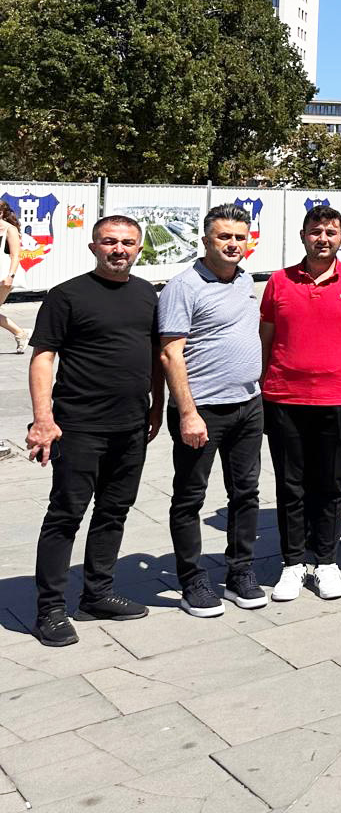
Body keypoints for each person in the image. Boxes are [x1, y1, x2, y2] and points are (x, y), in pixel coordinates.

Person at [27, 216, 162, 647]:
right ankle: (49, 608)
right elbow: (43, 358)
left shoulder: (147, 294)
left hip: (131, 424)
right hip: (79, 426)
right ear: (93, 247)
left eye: (127, 243)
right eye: (109, 242)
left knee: (113, 511)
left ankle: (97, 594)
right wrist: (42, 419)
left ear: (139, 248)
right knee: (65, 515)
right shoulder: (66, 296)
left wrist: (157, 405)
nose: (118, 249)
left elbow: (156, 355)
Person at [260, 206, 341, 602]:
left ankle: (326, 562)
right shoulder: (279, 282)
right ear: (303, 236)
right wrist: (260, 390)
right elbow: (264, 341)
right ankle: (293, 563)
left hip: (340, 399)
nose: (324, 238)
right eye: (316, 232)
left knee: (330, 486)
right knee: (290, 486)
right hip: (284, 398)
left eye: (332, 232)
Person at [160, 205, 266, 617]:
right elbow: (170, 353)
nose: (233, 244)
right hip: (201, 410)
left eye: (240, 237)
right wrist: (187, 412)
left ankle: (240, 571)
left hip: (247, 405)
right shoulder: (183, 286)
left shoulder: (245, 280)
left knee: (246, 493)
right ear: (206, 241)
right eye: (224, 237)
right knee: (190, 497)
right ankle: (192, 580)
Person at [0, 198, 25, 351]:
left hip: (4, 274)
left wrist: (10, 276)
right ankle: (20, 333)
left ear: (1, 213)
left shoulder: (10, 229)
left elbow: (15, 255)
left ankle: (20, 333)